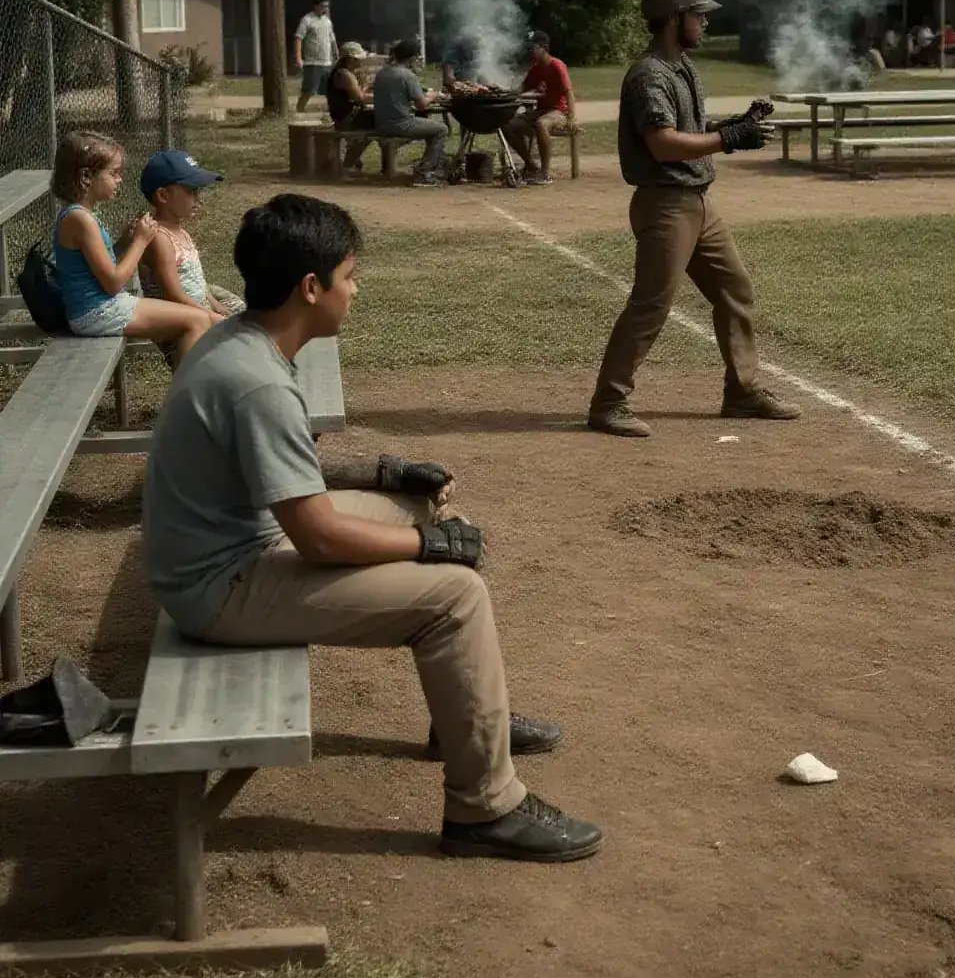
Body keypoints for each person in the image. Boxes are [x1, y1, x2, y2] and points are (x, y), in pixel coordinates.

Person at [141, 193, 603, 863]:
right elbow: (318, 538)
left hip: (233, 552)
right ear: (310, 287)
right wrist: (427, 548)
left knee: (429, 514)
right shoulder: (257, 381)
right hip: (219, 588)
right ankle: (484, 809)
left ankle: (465, 724)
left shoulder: (243, 339)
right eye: (350, 276)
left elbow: (281, 468)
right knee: (454, 595)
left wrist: (381, 473)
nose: (356, 290)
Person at [586, 0, 800, 438]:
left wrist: (737, 125)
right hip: (666, 204)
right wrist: (728, 139)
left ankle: (742, 392)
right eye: (699, 15)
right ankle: (608, 403)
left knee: (735, 290)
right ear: (674, 19)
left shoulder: (684, 69)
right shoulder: (649, 76)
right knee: (652, 305)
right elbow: (663, 144)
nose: (705, 23)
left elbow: (691, 128)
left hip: (698, 202)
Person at [51, 131, 215, 359]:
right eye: (114, 173)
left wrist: (125, 243)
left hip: (101, 308)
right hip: (97, 313)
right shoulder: (80, 219)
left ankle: (188, 385)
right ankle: (184, 391)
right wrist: (140, 241)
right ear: (87, 177)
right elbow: (113, 282)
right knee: (198, 319)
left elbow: (103, 269)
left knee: (198, 319)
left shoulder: (82, 215)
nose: (120, 180)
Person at [137, 150, 245, 367]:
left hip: (198, 309)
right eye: (191, 191)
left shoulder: (180, 231)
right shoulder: (159, 238)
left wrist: (214, 304)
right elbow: (173, 295)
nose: (198, 199)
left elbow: (195, 278)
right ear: (163, 196)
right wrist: (210, 316)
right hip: (180, 327)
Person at [502, 31, 577, 186]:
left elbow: (569, 93)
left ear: (544, 47)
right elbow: (522, 90)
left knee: (542, 124)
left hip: (558, 111)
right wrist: (506, 92)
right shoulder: (535, 69)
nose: (530, 52)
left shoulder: (557, 65)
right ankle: (530, 165)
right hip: (541, 111)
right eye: (528, 48)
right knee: (507, 125)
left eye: (533, 48)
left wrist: (571, 117)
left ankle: (545, 173)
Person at [372, 37, 447, 185]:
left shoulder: (382, 72)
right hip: (401, 124)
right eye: (417, 57)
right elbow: (422, 106)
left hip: (381, 123)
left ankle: (432, 166)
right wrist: (434, 95)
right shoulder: (407, 75)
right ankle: (425, 172)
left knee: (433, 127)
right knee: (442, 129)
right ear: (412, 58)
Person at [326, 42, 374, 171]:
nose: (362, 61)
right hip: (346, 117)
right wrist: (385, 98)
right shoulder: (344, 74)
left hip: (350, 114)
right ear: (351, 59)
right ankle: (348, 164)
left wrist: (367, 85)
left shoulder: (349, 73)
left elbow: (358, 93)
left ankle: (352, 162)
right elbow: (360, 98)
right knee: (378, 125)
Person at [293, 0, 338, 114]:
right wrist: (298, 57)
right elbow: (298, 38)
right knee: (309, 90)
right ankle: (299, 111)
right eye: (323, 6)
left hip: (327, 62)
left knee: (329, 90)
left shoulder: (327, 21)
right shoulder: (307, 20)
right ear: (316, 6)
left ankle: (331, 112)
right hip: (313, 62)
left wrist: (335, 52)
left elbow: (331, 38)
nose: (326, 9)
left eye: (327, 7)